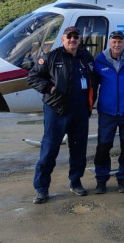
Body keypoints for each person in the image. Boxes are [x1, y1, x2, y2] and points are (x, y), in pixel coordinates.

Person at [27, 26, 96, 204]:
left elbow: (93, 79)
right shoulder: (52, 57)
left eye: (76, 37)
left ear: (80, 39)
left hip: (80, 111)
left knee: (79, 149)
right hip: (57, 110)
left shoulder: (86, 57)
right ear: (63, 39)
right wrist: (49, 88)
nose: (73, 40)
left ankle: (75, 182)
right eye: (69, 37)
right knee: (49, 150)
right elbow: (33, 77)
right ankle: (42, 189)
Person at [92, 30, 124, 194]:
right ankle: (101, 180)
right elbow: (93, 86)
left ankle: (123, 179)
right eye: (114, 41)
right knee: (103, 147)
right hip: (107, 113)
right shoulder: (99, 60)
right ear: (109, 43)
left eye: (120, 41)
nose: (117, 44)